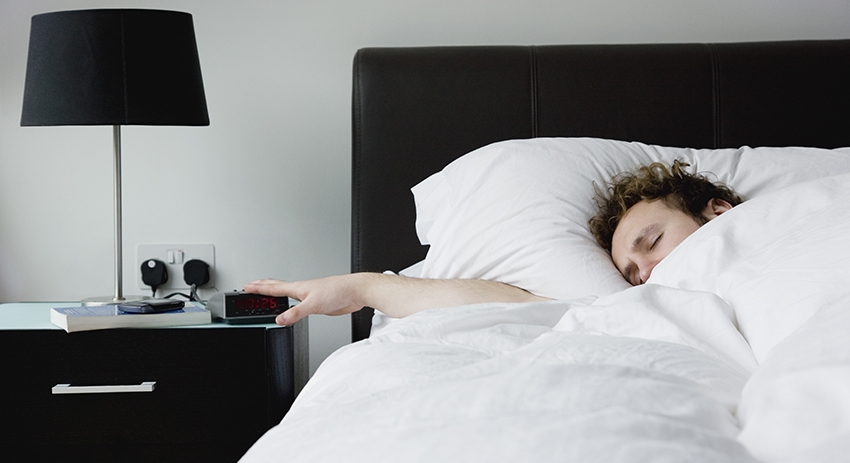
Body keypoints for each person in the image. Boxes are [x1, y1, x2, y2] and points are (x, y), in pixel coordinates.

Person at [244, 160, 741, 326]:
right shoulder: (637, 305)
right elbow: (515, 304)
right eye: (630, 274)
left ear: (717, 210)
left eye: (652, 241)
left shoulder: (778, 225)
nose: (646, 273)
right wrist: (361, 287)